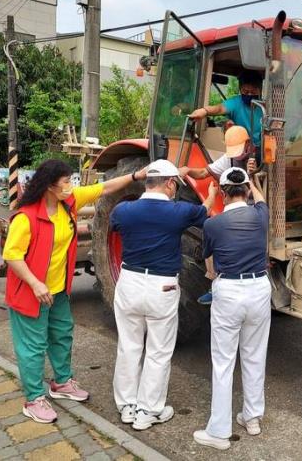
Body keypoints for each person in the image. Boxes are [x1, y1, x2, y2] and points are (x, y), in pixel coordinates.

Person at [3, 159, 148, 424]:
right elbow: (12, 255)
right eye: (66, 182)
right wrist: (35, 283)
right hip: (30, 292)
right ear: (49, 187)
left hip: (57, 291)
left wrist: (137, 175)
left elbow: (104, 188)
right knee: (32, 346)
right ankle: (34, 398)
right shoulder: (26, 217)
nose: (72, 186)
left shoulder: (67, 202)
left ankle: (61, 383)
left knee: (62, 335)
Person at [111, 159, 217, 430]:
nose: (175, 191)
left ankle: (127, 406)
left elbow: (116, 226)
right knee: (158, 351)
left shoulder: (123, 210)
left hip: (129, 283)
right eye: (175, 186)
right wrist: (213, 196)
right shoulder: (179, 212)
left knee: (129, 345)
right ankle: (148, 411)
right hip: (162, 288)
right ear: (170, 183)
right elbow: (203, 214)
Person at [193, 167, 271, 450]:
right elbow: (261, 200)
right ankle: (251, 418)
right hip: (259, 288)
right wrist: (253, 181)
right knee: (254, 356)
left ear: (223, 193)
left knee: (224, 362)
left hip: (229, 291)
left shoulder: (212, 224)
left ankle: (219, 430)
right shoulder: (261, 216)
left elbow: (209, 260)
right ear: (248, 190)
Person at [179, 125, 258, 305]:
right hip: (234, 207)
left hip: (253, 206)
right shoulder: (228, 159)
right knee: (213, 233)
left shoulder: (259, 156)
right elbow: (203, 172)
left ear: (248, 144)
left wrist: (255, 173)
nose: (236, 155)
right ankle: (214, 282)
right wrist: (187, 170)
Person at [188, 70, 264, 147]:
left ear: (260, 91)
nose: (249, 94)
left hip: (260, 148)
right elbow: (219, 108)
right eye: (246, 91)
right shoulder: (235, 103)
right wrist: (204, 111)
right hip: (239, 147)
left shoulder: (264, 107)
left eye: (253, 92)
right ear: (240, 90)